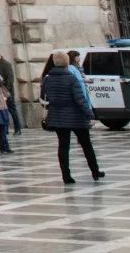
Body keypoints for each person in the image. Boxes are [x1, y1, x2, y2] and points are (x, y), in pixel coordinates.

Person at [40, 50, 104, 185]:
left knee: (63, 146)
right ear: (67, 62)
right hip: (76, 117)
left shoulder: (47, 79)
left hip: (57, 117)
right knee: (86, 145)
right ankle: (95, 171)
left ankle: (66, 176)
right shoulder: (71, 78)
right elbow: (80, 99)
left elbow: (43, 98)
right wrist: (90, 114)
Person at [0, 50, 19, 153]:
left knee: (4, 121)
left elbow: (6, 80)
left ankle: (5, 146)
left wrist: (7, 93)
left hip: (2, 96)